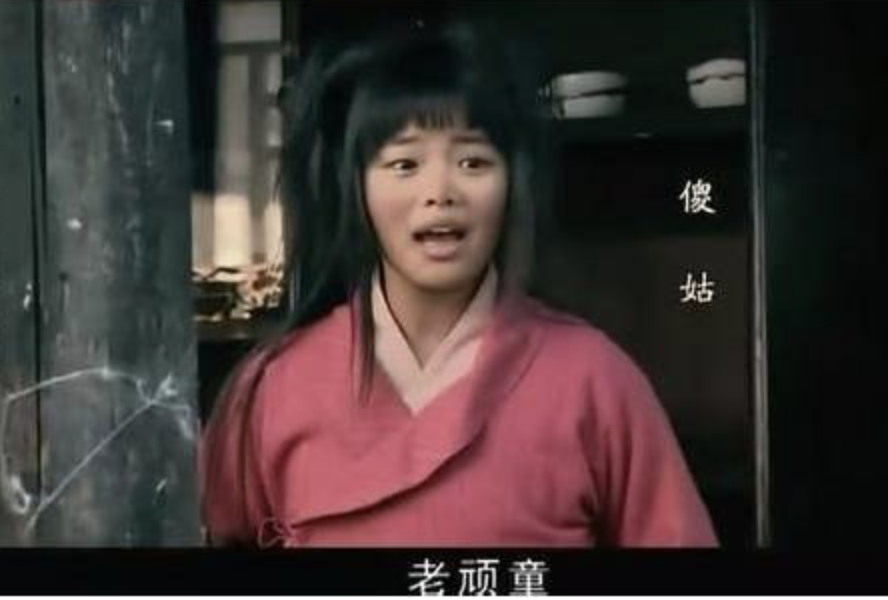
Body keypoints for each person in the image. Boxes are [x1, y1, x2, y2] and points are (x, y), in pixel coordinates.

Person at [199, 18, 718, 548]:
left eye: (473, 161)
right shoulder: (273, 388)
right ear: (357, 188)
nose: (440, 191)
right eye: (404, 164)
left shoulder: (592, 378)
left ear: (512, 182)